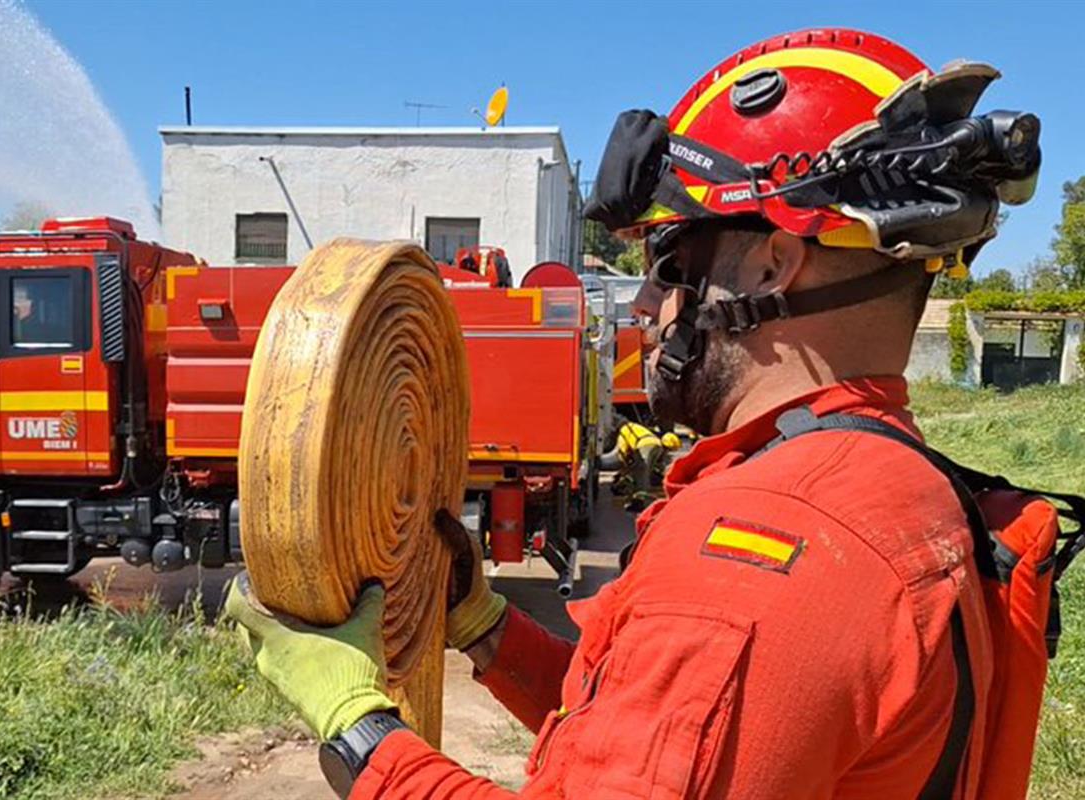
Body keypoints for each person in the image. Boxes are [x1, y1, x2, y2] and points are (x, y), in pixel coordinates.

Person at [224, 29, 1043, 798]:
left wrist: (358, 728)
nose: (646, 302)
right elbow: (653, 742)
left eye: (668, 259)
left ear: (771, 266)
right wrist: (485, 627)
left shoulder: (767, 547)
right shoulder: (894, 483)